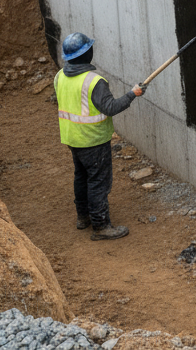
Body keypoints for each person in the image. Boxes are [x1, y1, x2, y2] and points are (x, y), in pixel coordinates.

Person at [55, 32, 143, 240]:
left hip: (72, 138)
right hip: (93, 140)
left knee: (81, 176)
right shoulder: (94, 81)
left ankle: (83, 217)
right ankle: (101, 226)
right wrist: (133, 94)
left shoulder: (59, 75)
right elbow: (110, 107)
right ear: (88, 54)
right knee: (97, 182)